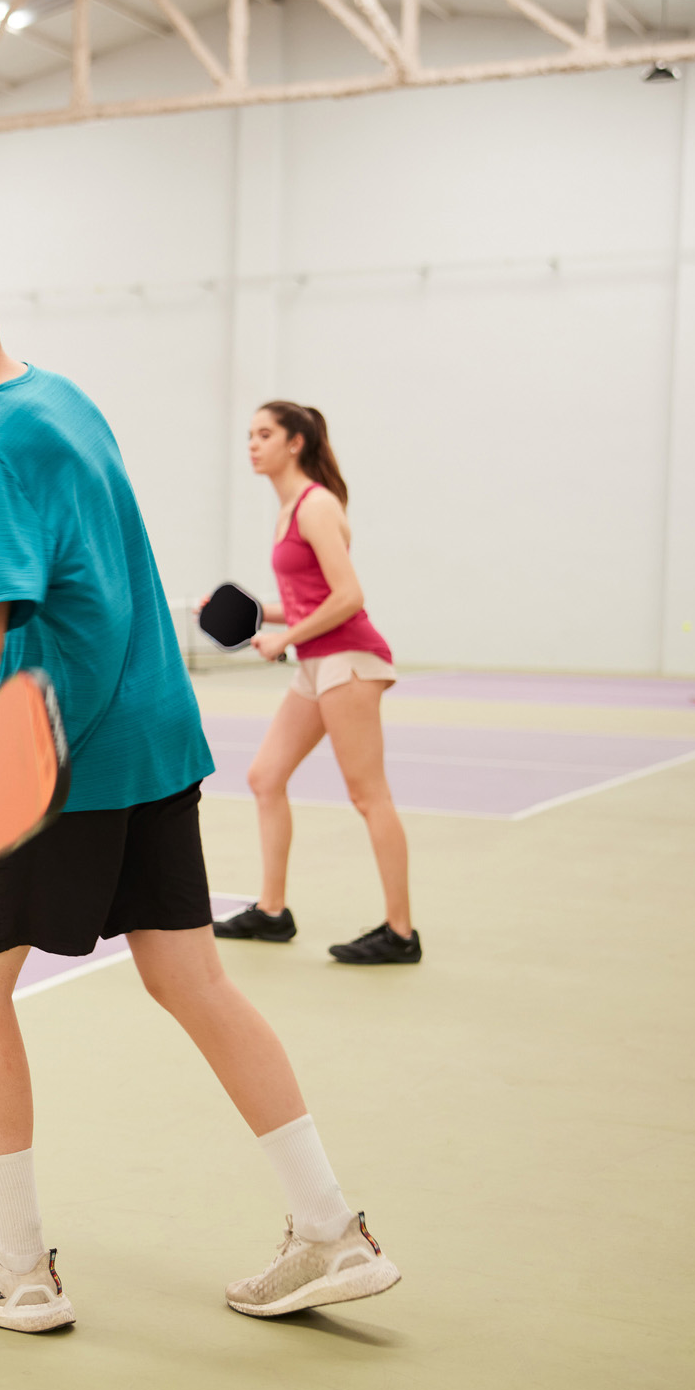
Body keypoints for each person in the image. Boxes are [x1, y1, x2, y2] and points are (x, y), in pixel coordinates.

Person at [0, 232, 399, 1335]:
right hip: (154, 735)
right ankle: (329, 1230)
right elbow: (63, 561)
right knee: (192, 980)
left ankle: (14, 1268)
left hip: (62, 755)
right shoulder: (54, 400)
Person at [212, 403, 420, 967]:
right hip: (317, 660)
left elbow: (349, 596)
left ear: (296, 443)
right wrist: (259, 615)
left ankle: (401, 933)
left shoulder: (316, 505)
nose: (252, 444)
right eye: (250, 434)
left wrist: (285, 639)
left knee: (367, 794)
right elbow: (310, 599)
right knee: (265, 776)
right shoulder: (286, 512)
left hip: (349, 658)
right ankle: (273, 912)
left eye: (264, 434)